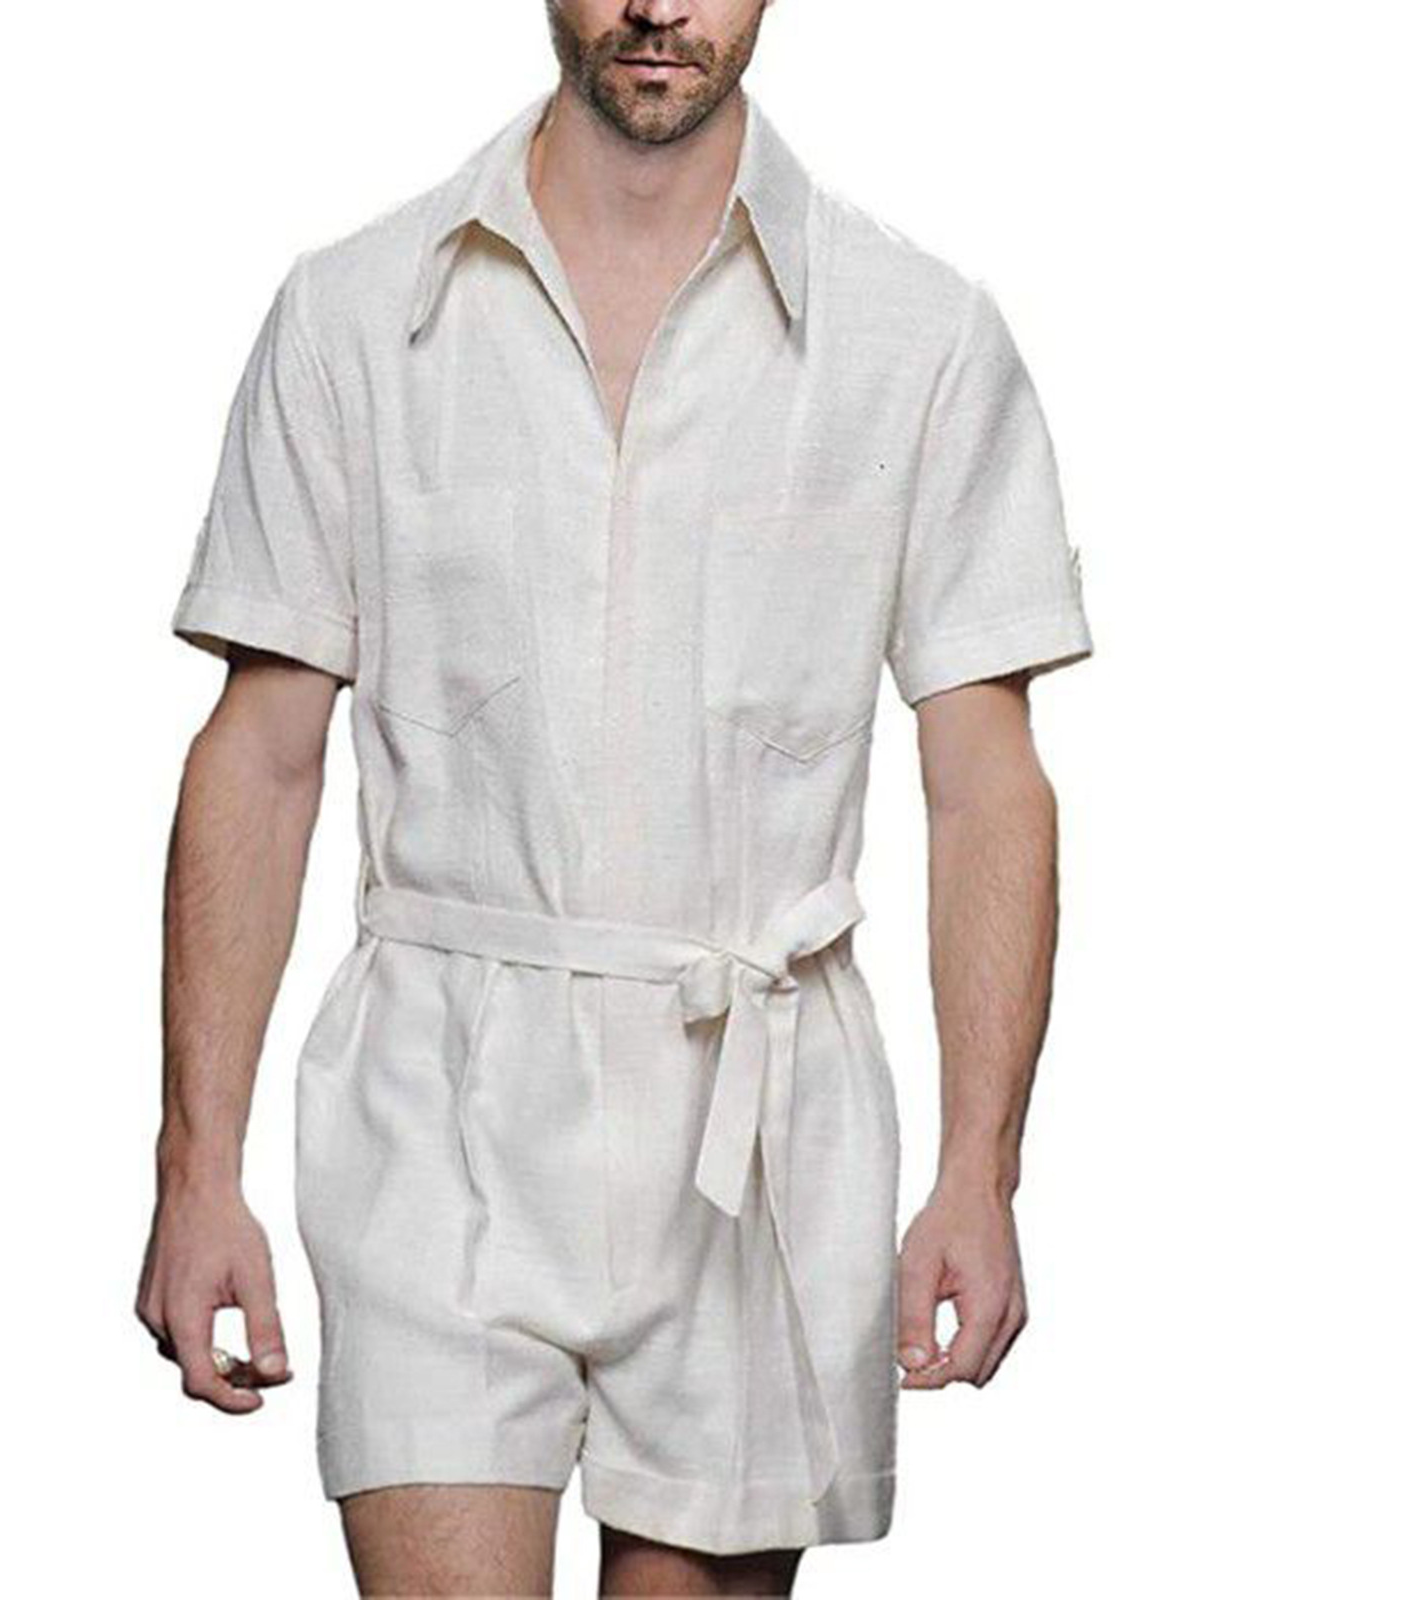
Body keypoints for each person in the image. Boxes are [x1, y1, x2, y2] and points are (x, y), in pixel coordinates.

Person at [136, 1, 1093, 1593]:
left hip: (758, 1127)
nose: (658, 4)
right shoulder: (356, 312)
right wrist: (194, 1169)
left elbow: (985, 781)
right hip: (437, 1107)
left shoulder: (916, 336)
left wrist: (981, 1172)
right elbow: (264, 747)